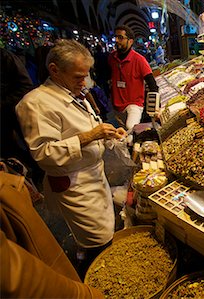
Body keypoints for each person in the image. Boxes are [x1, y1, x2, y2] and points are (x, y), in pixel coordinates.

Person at [15, 39, 127, 277]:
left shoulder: (75, 92)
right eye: (78, 76)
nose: (84, 82)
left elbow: (90, 125)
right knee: (96, 237)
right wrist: (90, 136)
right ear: (54, 70)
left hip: (94, 175)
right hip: (74, 183)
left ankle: (101, 266)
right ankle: (93, 279)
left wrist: (107, 134)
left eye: (86, 75)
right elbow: (43, 153)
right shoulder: (35, 104)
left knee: (104, 229)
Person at [0, 170, 103, 298]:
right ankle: (88, 255)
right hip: (73, 183)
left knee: (99, 230)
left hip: (91, 181)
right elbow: (16, 278)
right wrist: (87, 295)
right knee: (89, 232)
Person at [108, 25, 159, 132]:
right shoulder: (112, 58)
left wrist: (155, 108)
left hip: (134, 104)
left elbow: (152, 84)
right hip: (117, 106)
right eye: (116, 37)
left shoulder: (139, 60)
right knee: (124, 132)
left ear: (130, 41)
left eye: (121, 38)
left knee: (131, 128)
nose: (117, 40)